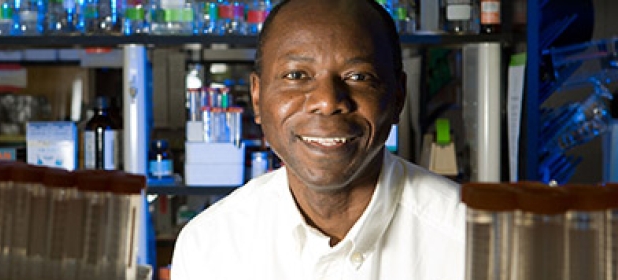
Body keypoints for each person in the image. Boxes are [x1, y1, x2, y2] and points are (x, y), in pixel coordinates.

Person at [171, 0, 465, 279]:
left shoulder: (467, 239)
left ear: (398, 97)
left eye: (358, 77)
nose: (326, 101)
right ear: (257, 97)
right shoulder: (209, 245)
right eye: (297, 75)